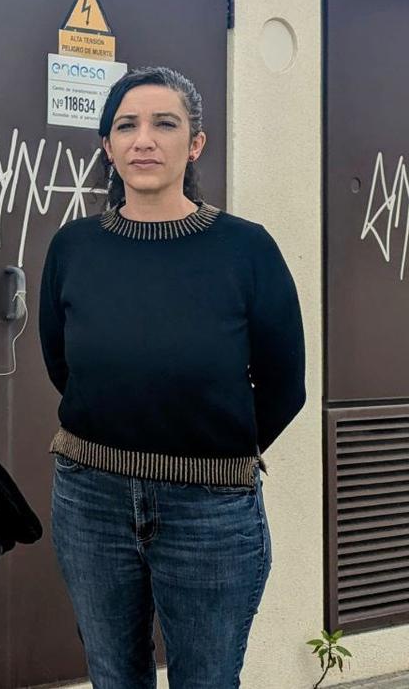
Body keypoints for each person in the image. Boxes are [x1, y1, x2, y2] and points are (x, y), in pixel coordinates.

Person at [38, 66, 305, 688]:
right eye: (126, 126)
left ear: (196, 142)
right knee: (112, 675)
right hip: (91, 500)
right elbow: (62, 363)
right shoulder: (73, 247)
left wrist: (208, 453)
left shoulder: (246, 249)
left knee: (207, 680)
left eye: (165, 123)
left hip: (211, 510)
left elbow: (285, 384)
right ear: (107, 147)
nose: (144, 140)